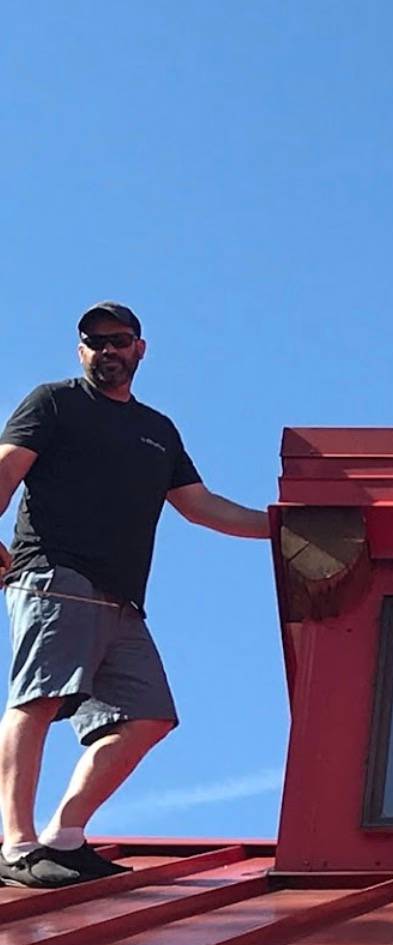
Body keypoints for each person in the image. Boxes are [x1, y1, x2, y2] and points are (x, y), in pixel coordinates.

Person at [0, 302, 269, 888]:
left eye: (118, 340)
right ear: (81, 351)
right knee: (39, 697)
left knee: (147, 715)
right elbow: (6, 468)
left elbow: (201, 506)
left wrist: (282, 527)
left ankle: (65, 836)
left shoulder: (157, 430)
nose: (107, 351)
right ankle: (16, 845)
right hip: (56, 576)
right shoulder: (54, 402)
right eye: (94, 342)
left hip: (120, 597)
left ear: (140, 349)